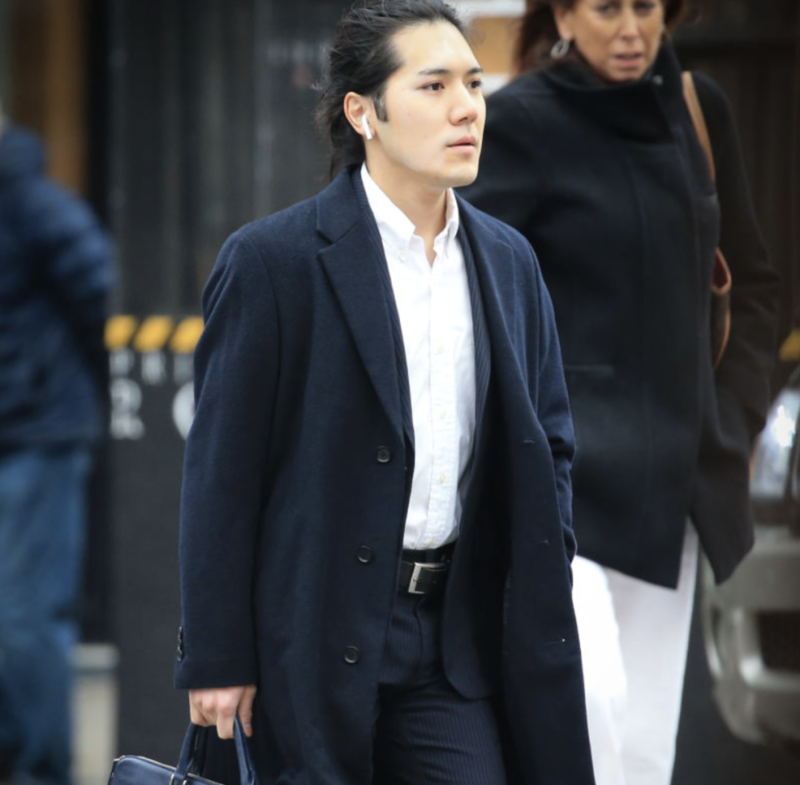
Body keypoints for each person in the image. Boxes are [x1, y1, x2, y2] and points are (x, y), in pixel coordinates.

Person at [175, 1, 595, 783]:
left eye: (473, 83)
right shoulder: (273, 262)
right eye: (433, 86)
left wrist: (545, 560)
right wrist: (217, 653)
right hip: (307, 632)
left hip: (453, 641)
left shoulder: (508, 261)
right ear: (362, 112)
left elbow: (550, 442)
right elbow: (220, 476)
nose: (466, 107)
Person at [460, 1, 780, 784]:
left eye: (646, 6)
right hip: (560, 481)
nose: (631, 28)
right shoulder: (520, 120)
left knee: (641, 749)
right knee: (590, 701)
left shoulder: (698, 109)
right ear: (565, 15)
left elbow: (754, 283)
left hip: (672, 485)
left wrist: (733, 418)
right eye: (607, 8)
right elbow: (476, 291)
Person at [0, 111, 113, 785]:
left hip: (36, 433)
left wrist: (46, 379)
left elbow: (101, 292)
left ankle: (43, 771)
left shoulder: (33, 201)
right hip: (23, 428)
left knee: (26, 617)